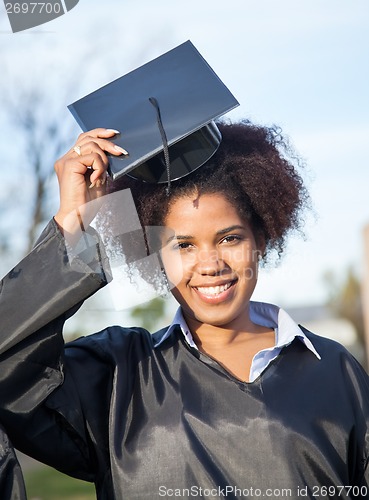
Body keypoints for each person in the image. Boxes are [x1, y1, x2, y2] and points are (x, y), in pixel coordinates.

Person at [0, 121, 368, 500]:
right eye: (184, 245)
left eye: (229, 238)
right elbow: (7, 368)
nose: (209, 265)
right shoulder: (117, 374)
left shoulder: (337, 370)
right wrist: (73, 223)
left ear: (260, 238)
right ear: (158, 255)